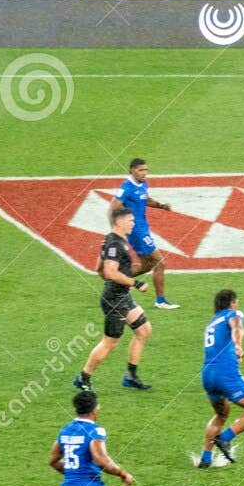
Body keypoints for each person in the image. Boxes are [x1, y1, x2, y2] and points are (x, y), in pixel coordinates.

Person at [74, 207, 153, 392]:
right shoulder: (114, 244)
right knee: (110, 342)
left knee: (143, 330)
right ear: (119, 222)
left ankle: (131, 376)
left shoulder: (113, 241)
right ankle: (83, 377)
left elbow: (99, 269)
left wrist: (118, 281)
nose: (133, 223)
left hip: (121, 295)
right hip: (115, 299)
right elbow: (109, 272)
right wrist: (135, 283)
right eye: (130, 220)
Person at [197, 289, 244, 468]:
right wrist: (238, 345)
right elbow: (237, 326)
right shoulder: (234, 314)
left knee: (221, 415)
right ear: (231, 303)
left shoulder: (212, 322)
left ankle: (206, 458)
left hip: (207, 375)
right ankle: (224, 438)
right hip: (225, 374)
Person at [115, 158, 177, 309]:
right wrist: (118, 229)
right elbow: (114, 207)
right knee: (160, 262)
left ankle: (116, 280)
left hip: (143, 228)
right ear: (131, 170)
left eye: (146, 170)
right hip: (137, 231)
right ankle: (160, 301)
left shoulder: (143, 184)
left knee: (146, 266)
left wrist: (161, 206)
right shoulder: (126, 188)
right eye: (141, 170)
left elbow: (145, 199)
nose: (144, 173)